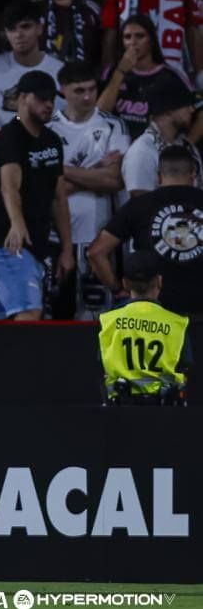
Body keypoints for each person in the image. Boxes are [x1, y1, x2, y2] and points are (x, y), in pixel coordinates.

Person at [0, 71, 74, 320]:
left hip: (35, 244)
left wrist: (67, 248)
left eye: (51, 99)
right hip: (5, 241)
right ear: (22, 98)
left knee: (19, 313)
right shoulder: (10, 137)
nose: (48, 104)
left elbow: (59, 197)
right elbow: (9, 186)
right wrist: (17, 224)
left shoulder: (52, 140)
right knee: (28, 312)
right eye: (41, 98)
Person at [89, 146, 203, 318]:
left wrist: (118, 290)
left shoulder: (139, 205)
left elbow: (95, 252)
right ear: (193, 174)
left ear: (158, 176)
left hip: (153, 314)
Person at [49, 62, 131, 252]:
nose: (87, 96)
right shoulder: (47, 128)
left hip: (99, 237)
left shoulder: (113, 125)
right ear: (62, 90)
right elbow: (46, 190)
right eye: (79, 91)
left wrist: (60, 169)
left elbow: (115, 180)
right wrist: (96, 170)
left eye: (92, 89)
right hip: (53, 236)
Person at [97, 250, 191, 405]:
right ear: (159, 281)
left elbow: (102, 365)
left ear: (125, 283)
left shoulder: (108, 321)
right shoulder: (177, 323)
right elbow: (184, 366)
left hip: (119, 410)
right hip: (165, 411)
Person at [0, 0, 65, 128]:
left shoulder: (61, 71)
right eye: (11, 29)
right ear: (5, 33)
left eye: (25, 26)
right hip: (2, 139)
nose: (18, 34)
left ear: (39, 28)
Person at [97, 14, 193, 141]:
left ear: (151, 40)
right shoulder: (111, 73)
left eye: (140, 36)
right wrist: (120, 72)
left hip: (155, 146)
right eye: (127, 37)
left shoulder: (171, 77)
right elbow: (99, 116)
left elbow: (191, 116)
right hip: (114, 145)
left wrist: (188, 142)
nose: (133, 42)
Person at [120, 69, 203, 197]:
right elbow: (141, 204)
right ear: (168, 111)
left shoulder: (188, 147)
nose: (191, 110)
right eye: (185, 105)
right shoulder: (142, 151)